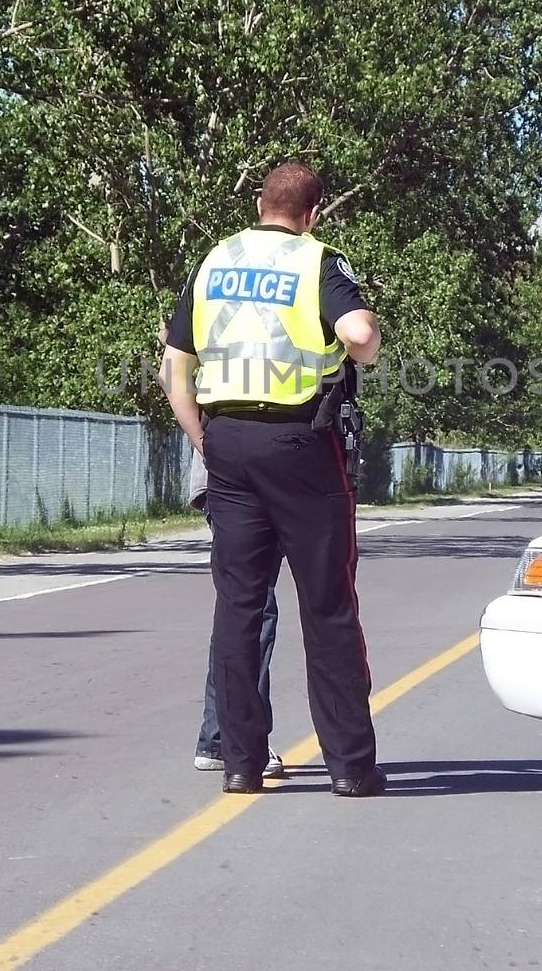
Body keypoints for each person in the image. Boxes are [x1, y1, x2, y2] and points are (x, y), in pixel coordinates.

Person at [160, 159, 385, 797]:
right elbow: (360, 333)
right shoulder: (316, 260)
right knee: (329, 604)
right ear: (313, 212)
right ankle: (350, 766)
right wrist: (362, 347)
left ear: (261, 203)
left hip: (227, 445)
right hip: (301, 445)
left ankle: (240, 763)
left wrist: (203, 437)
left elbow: (174, 367)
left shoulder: (213, 263)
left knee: (238, 606)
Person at [187, 445, 284, 779]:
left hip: (239, 477)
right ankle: (242, 739)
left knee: (240, 608)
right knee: (252, 611)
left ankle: (218, 739)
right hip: (244, 482)